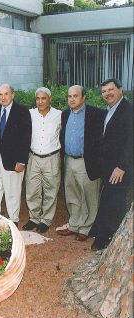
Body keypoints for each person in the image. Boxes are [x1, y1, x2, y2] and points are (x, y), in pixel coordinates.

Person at [57, 85, 105, 242]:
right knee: (72, 194)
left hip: (86, 161)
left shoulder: (95, 113)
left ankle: (87, 228)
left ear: (83, 97)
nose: (72, 99)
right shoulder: (65, 114)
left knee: (89, 196)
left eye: (75, 96)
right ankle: (74, 225)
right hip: (69, 160)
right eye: (70, 96)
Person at [90, 79, 133, 251]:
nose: (107, 94)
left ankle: (105, 238)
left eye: (111, 90)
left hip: (120, 168)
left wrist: (122, 166)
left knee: (113, 201)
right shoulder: (109, 110)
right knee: (110, 199)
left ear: (120, 90)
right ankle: (108, 234)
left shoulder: (128, 110)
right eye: (104, 91)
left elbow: (131, 141)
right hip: (108, 167)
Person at [0, 84, 32, 227]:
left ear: (13, 94)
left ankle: (13, 221)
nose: (3, 97)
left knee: (12, 192)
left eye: (6, 94)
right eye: (0, 94)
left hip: (13, 161)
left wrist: (22, 160)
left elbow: (26, 138)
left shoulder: (22, 112)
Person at [23, 87, 62, 233]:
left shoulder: (59, 115)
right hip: (33, 157)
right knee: (32, 190)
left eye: (43, 98)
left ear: (50, 99)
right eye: (38, 98)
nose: (40, 101)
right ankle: (34, 218)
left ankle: (46, 220)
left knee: (50, 190)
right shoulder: (30, 114)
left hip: (51, 158)